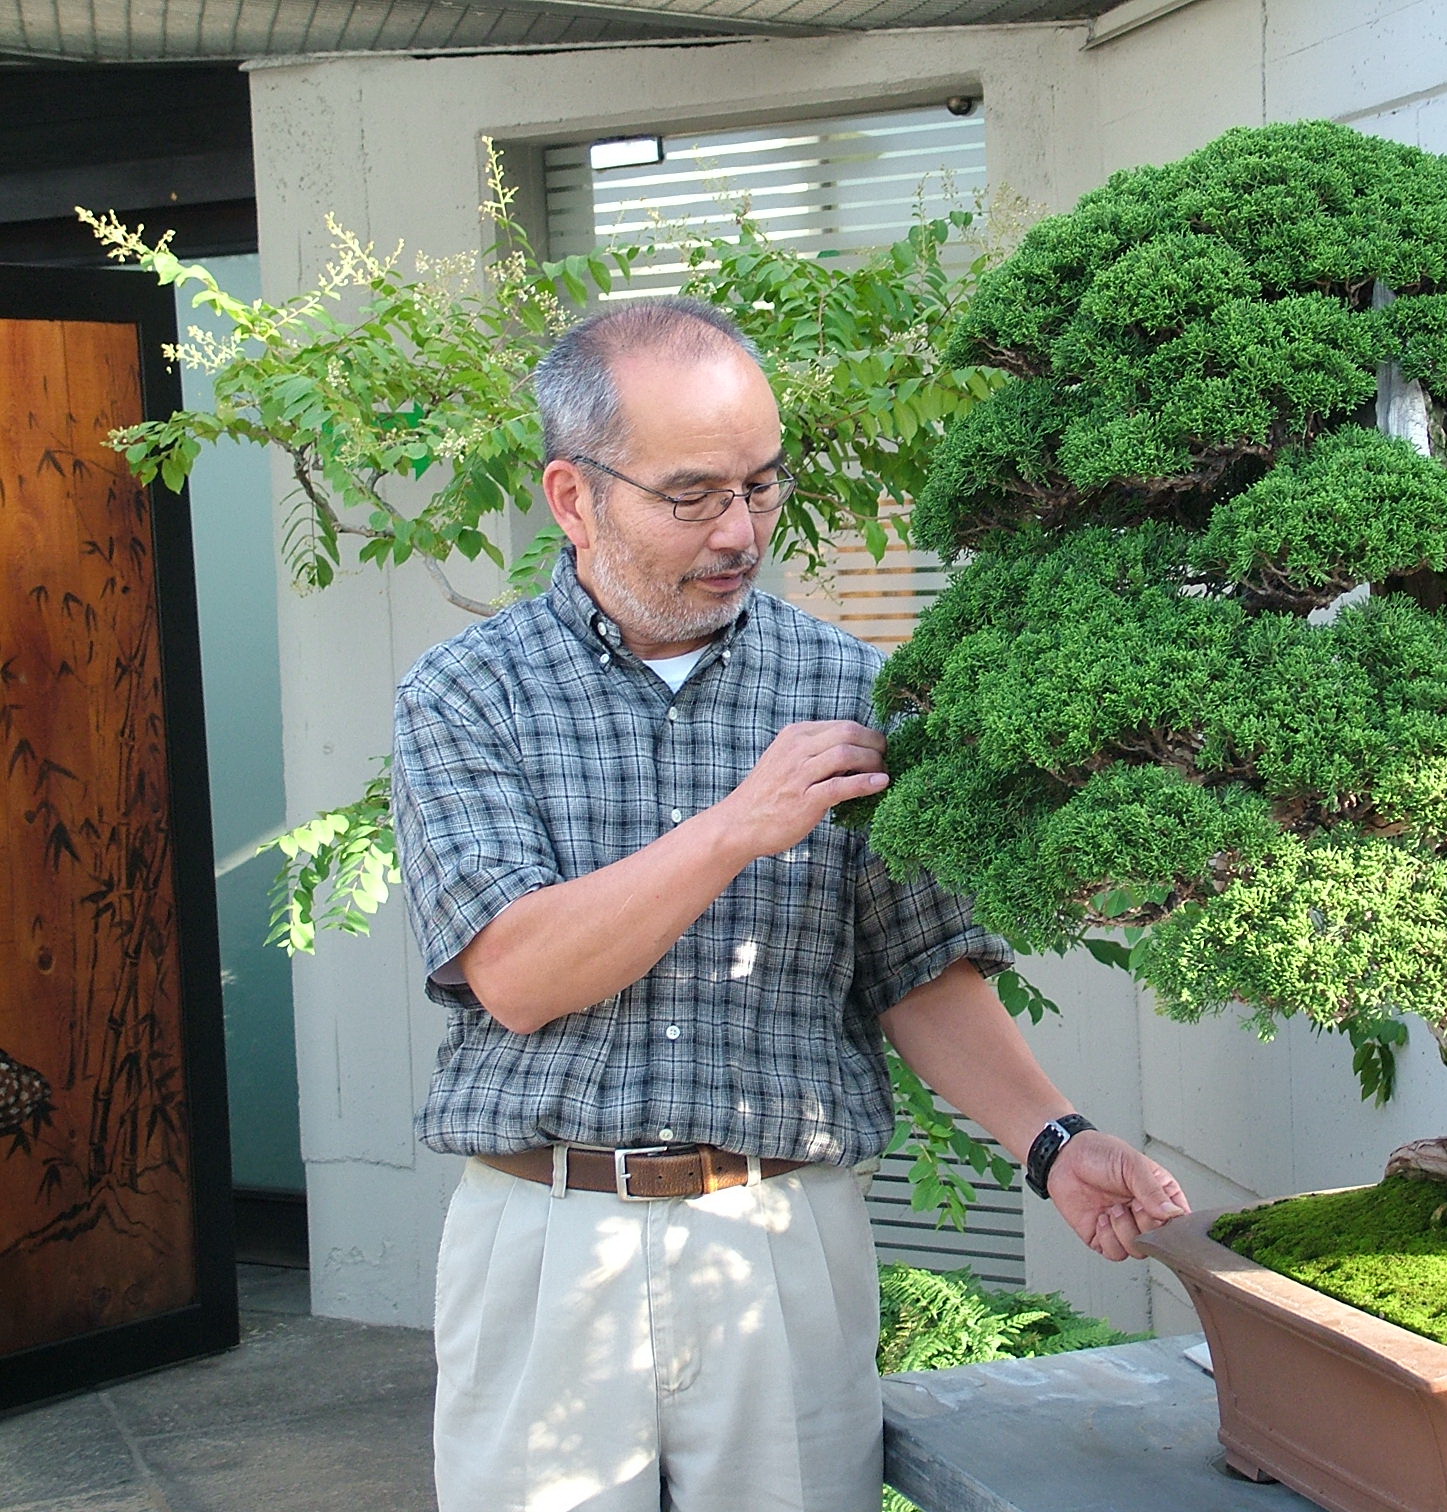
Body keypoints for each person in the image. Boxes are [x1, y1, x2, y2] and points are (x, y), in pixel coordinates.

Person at [392, 296, 1190, 1512]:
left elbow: (917, 967)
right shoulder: (465, 695)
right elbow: (516, 972)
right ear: (572, 497)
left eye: (763, 486)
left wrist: (1057, 1143)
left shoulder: (853, 687)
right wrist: (736, 827)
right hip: (544, 1238)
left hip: (778, 1232)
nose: (741, 529)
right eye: (693, 494)